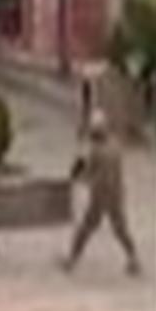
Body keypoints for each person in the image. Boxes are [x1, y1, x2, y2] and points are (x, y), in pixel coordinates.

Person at [63, 111, 141, 276]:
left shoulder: (98, 151)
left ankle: (72, 258)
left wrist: (77, 175)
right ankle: (133, 257)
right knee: (120, 228)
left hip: (101, 195)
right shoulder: (115, 146)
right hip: (116, 193)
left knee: (87, 227)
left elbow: (92, 175)